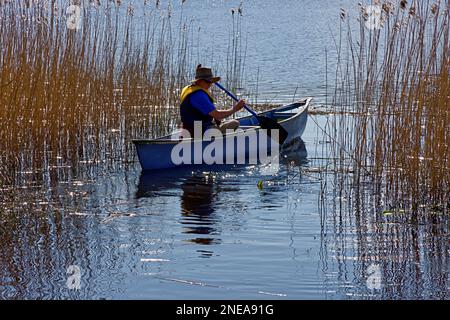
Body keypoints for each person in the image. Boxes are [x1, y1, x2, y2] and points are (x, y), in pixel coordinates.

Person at [179, 64, 246, 136]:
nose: (210, 84)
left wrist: (214, 118)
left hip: (190, 130)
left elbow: (201, 112)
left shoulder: (189, 89)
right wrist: (235, 108)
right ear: (200, 81)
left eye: (211, 82)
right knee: (235, 123)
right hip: (199, 132)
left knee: (221, 123)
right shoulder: (198, 95)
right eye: (208, 82)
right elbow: (218, 115)